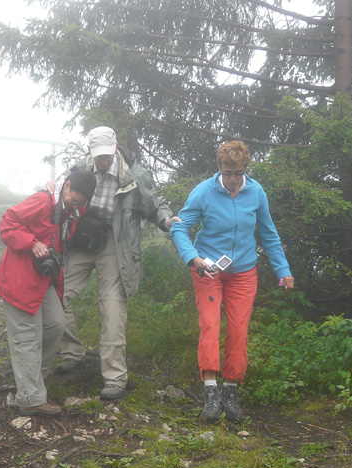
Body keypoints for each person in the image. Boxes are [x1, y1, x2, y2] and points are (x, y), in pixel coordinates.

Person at [169, 140, 295, 423]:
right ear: (219, 168)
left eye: (238, 173)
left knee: (239, 330)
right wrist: (194, 259)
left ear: (245, 169)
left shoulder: (256, 192)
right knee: (211, 325)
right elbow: (179, 227)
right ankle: (210, 392)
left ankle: (230, 392)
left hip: (243, 272)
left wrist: (283, 271)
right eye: (228, 173)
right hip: (208, 271)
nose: (233, 179)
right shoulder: (203, 192)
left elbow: (269, 234)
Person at [52, 126, 180, 401]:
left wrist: (166, 220)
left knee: (111, 304)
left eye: (108, 155)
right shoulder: (77, 172)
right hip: (81, 238)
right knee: (55, 292)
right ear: (89, 151)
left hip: (116, 241)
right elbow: (57, 197)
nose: (104, 161)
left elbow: (153, 204)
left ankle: (114, 378)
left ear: (116, 147)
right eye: (99, 156)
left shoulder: (134, 173)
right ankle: (72, 353)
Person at [0, 171, 97, 416]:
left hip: (42, 279)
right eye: (73, 199)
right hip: (19, 278)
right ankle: (29, 399)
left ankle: (33, 378)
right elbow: (7, 223)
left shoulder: (71, 210)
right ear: (66, 186)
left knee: (55, 323)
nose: (75, 205)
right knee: (27, 335)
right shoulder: (42, 201)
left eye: (80, 203)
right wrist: (32, 242)